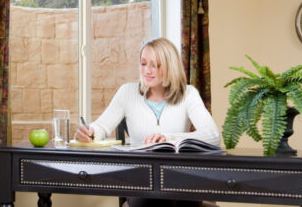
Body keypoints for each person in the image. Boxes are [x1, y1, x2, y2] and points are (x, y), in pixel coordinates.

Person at [75, 37, 220, 207]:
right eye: (143, 64)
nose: (148, 71)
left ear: (170, 67)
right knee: (154, 199)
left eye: (156, 65)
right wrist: (90, 132)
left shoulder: (188, 94)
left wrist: (167, 138)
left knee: (177, 194)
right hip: (141, 179)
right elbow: (101, 126)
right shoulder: (127, 93)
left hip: (179, 178)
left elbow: (212, 135)